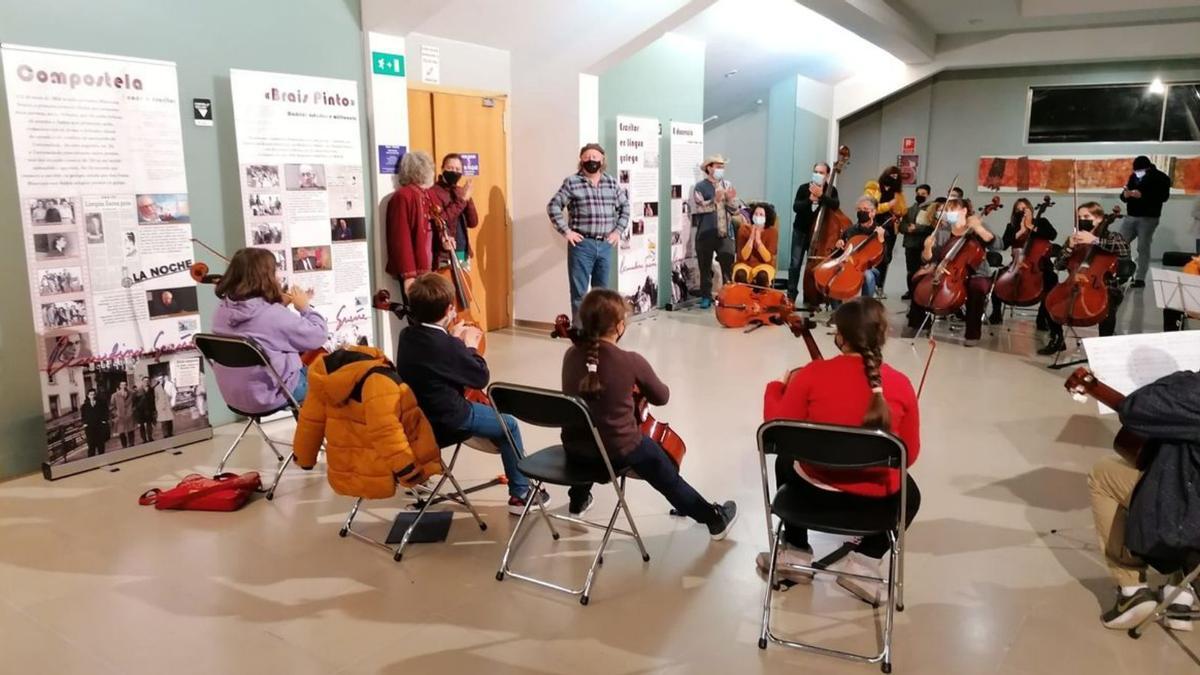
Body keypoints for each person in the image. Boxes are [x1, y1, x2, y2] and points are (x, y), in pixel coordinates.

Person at [759, 297, 920, 599]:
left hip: (812, 492)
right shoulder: (901, 384)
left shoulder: (810, 375)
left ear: (840, 337)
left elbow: (777, 429)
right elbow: (908, 454)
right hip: (875, 504)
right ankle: (864, 563)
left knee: (785, 459)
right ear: (882, 336)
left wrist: (778, 387)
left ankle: (795, 553)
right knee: (911, 496)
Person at [562, 288, 738, 538]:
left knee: (591, 426)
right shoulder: (629, 361)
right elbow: (662, 397)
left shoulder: (570, 355)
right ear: (620, 326)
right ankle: (714, 519)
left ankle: (578, 501)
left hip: (576, 450)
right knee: (662, 467)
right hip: (615, 454)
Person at [393, 273, 545, 515]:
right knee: (509, 425)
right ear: (449, 309)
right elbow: (479, 377)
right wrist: (470, 346)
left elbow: (437, 360)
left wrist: (453, 340)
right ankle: (521, 494)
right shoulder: (448, 346)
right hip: (449, 420)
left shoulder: (407, 336)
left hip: (417, 419)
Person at [1088, 370, 1199, 631]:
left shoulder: (1192, 392)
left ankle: (1131, 591)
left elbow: (1135, 409)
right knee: (1177, 459)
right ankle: (1179, 592)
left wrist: (1182, 377)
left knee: (1103, 473)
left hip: (1190, 518)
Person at [210, 247, 327, 413]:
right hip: (271, 395)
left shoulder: (221, 311)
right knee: (331, 379)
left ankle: (307, 432)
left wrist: (279, 306)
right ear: (265, 277)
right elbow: (318, 335)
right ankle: (312, 436)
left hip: (234, 396)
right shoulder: (272, 315)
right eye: (275, 271)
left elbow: (260, 329)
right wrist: (305, 308)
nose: (278, 277)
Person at [547, 143, 630, 323]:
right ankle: (580, 334)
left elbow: (625, 207)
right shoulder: (572, 182)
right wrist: (567, 232)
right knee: (579, 294)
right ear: (581, 160)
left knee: (602, 294)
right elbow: (553, 206)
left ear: (602, 160)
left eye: (595, 157)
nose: (591, 160)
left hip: (606, 245)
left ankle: (600, 332)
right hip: (582, 246)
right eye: (587, 157)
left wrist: (618, 231)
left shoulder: (611, 182)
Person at [1038, 202, 1130, 355]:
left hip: (1104, 286)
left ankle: (1104, 348)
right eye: (1079, 217)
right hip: (1074, 282)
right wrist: (1069, 248)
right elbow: (1059, 265)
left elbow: (1124, 249)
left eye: (1087, 216)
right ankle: (1057, 339)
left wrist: (1094, 240)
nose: (1082, 220)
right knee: (1051, 300)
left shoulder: (1111, 236)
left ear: (1099, 218)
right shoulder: (1075, 238)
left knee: (1108, 307)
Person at [903, 198, 998, 347]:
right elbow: (928, 259)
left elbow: (998, 245)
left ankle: (972, 334)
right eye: (946, 211)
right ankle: (919, 323)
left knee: (976, 288)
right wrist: (927, 248)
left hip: (976, 273)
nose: (947, 213)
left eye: (951, 210)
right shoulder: (942, 231)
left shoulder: (978, 226)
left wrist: (979, 228)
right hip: (947, 271)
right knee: (917, 279)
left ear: (964, 211)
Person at [991, 198, 1058, 325]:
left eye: (1024, 208)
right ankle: (996, 313)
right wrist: (1020, 231)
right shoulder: (1011, 226)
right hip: (1016, 264)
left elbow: (1052, 235)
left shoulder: (1041, 222)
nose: (1021, 211)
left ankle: (1042, 317)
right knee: (997, 279)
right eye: (1018, 209)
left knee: (1051, 281)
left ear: (1030, 209)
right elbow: (1004, 244)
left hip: (1039, 265)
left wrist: (1031, 227)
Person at [691, 154, 744, 308]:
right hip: (705, 233)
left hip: (725, 233)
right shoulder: (700, 187)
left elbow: (735, 210)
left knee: (728, 266)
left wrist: (729, 199)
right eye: (718, 166)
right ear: (709, 168)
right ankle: (706, 297)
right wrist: (714, 200)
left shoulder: (727, 184)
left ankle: (728, 296)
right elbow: (699, 208)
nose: (721, 169)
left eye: (723, 166)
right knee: (705, 267)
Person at [385, 150, 437, 295]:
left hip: (429, 266)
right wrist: (409, 275)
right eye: (430, 168)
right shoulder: (402, 196)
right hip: (416, 271)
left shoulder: (427, 194)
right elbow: (400, 238)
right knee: (421, 313)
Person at [788, 162, 840, 304]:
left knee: (816, 264)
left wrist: (821, 196)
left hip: (819, 236)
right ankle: (791, 295)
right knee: (795, 264)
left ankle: (814, 296)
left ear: (827, 175)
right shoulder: (804, 188)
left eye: (821, 173)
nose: (818, 174)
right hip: (801, 231)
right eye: (816, 171)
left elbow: (835, 205)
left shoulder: (831, 190)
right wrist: (809, 200)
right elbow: (796, 207)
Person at [1119, 155, 1172, 288]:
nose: (1137, 173)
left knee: (1142, 247)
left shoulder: (1161, 178)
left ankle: (1140, 278)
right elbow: (1126, 192)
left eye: (1140, 170)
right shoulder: (1133, 177)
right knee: (1120, 244)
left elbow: (1163, 197)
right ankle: (1125, 273)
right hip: (1131, 216)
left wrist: (1143, 196)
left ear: (1148, 168)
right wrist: (1125, 196)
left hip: (1148, 218)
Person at [828, 196, 889, 300]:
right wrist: (839, 245)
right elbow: (839, 255)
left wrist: (881, 240)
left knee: (868, 276)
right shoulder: (850, 231)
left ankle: (866, 305)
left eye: (865, 209)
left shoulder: (880, 232)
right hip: (850, 265)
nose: (862, 212)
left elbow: (886, 260)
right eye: (859, 209)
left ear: (873, 213)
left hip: (870, 268)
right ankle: (837, 310)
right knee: (834, 273)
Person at [428, 153, 479, 270]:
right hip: (445, 252)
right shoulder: (433, 192)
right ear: (442, 169)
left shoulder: (461, 191)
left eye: (457, 169)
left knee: (464, 285)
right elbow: (442, 219)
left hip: (462, 250)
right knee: (447, 286)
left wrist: (468, 198)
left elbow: (473, 222)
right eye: (450, 168)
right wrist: (462, 200)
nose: (454, 172)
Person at [864, 167, 909, 298]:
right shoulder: (872, 188)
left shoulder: (898, 193)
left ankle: (880, 287)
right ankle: (869, 285)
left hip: (890, 228)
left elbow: (903, 210)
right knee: (872, 256)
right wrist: (888, 205)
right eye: (891, 175)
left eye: (896, 177)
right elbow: (871, 208)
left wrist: (897, 209)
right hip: (873, 225)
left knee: (885, 257)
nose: (893, 179)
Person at [732, 202, 779, 287]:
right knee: (740, 274)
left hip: (764, 265)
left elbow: (768, 259)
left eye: (761, 215)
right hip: (744, 264)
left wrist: (758, 242)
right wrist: (751, 238)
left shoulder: (772, 232)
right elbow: (743, 257)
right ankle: (743, 298)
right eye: (756, 214)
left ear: (767, 217)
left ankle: (759, 298)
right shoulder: (743, 229)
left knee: (762, 276)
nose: (758, 217)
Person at [899, 184, 932, 300]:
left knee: (923, 270)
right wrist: (906, 228)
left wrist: (917, 228)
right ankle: (911, 291)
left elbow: (932, 228)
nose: (920, 196)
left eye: (923, 194)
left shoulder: (931, 209)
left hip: (923, 245)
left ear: (928, 195)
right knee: (910, 270)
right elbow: (901, 225)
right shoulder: (909, 210)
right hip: (910, 244)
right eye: (918, 194)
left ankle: (921, 292)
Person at [81, 389, 109, 457]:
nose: (92, 396)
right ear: (88, 396)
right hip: (90, 428)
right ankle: (91, 461)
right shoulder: (85, 406)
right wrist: (85, 424)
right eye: (91, 395)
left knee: (100, 444)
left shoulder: (101, 404)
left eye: (93, 394)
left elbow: (106, 413)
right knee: (91, 445)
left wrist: (104, 421)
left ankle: (102, 458)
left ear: (95, 395)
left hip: (99, 426)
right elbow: (83, 416)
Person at [109, 380, 135, 448]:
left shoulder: (131, 393)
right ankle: (124, 445)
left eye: (125, 385)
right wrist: (116, 413)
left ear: (126, 385)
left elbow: (136, 402)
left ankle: (131, 444)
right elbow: (112, 406)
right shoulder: (115, 395)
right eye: (122, 385)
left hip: (129, 414)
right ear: (120, 386)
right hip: (120, 416)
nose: (124, 386)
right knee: (121, 432)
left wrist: (133, 410)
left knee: (130, 430)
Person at [134, 376, 155, 443]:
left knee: (149, 424)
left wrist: (153, 409)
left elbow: (153, 400)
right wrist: (137, 409)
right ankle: (144, 439)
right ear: (142, 382)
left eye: (147, 381)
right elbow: (135, 401)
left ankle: (150, 437)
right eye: (145, 381)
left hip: (149, 410)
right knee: (142, 425)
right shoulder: (138, 391)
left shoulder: (151, 389)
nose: (146, 382)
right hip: (141, 411)